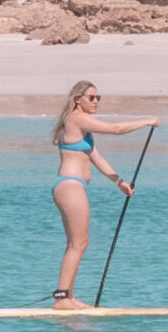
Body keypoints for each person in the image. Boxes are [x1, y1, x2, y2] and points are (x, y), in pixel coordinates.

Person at [48, 80, 157, 308]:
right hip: (70, 186)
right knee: (79, 244)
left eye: (98, 98)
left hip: (70, 186)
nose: (96, 101)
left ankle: (67, 296)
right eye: (91, 97)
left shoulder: (83, 129)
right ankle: (62, 299)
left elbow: (96, 158)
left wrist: (119, 181)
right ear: (78, 99)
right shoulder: (77, 118)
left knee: (76, 244)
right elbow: (116, 129)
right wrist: (147, 121)